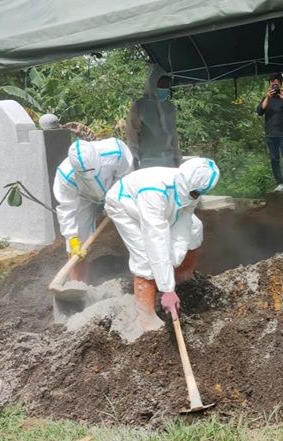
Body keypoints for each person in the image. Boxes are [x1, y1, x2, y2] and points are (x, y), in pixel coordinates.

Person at [104, 157, 220, 330]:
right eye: (195, 194)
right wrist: (166, 288)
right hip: (125, 205)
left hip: (164, 207)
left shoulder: (193, 188)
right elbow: (155, 238)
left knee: (195, 229)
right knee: (145, 256)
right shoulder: (154, 191)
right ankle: (145, 317)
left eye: (197, 194)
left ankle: (182, 279)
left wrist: (174, 262)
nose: (196, 197)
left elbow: (184, 222)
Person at [53, 137, 134, 281]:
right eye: (82, 173)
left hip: (114, 189)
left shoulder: (116, 152)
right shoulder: (65, 175)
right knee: (77, 241)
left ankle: (141, 272)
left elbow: (127, 180)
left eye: (90, 170)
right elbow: (66, 209)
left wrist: (115, 202)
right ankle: (78, 285)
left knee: (133, 226)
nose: (87, 176)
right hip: (83, 198)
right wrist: (72, 238)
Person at [126, 64, 182, 168]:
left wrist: (177, 158)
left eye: (167, 85)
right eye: (162, 84)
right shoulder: (139, 106)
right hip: (148, 163)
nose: (165, 88)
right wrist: (134, 161)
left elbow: (173, 135)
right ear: (152, 83)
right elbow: (132, 136)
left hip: (170, 162)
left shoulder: (170, 107)